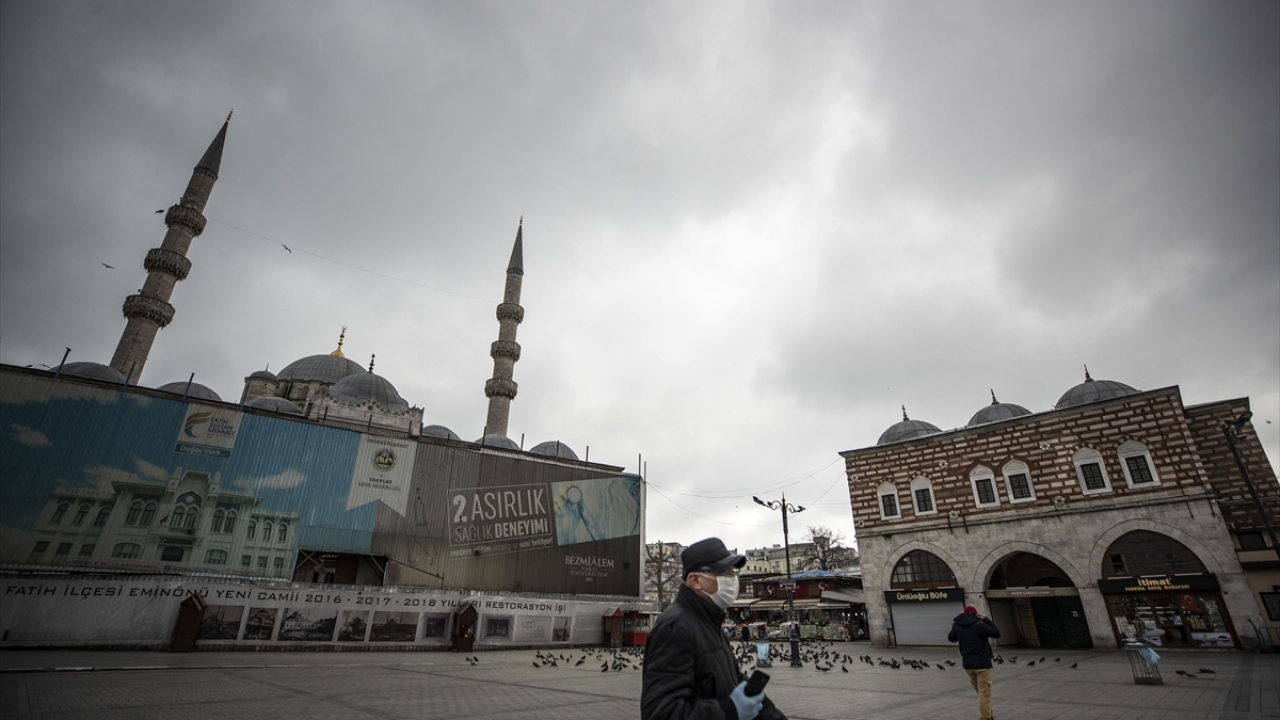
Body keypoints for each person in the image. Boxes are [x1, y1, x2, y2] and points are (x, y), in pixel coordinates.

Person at [642, 537, 787, 720]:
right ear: (695, 580)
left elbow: (732, 681)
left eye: (733, 572)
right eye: (723, 572)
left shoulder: (709, 621)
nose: (732, 579)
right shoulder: (675, 629)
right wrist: (728, 712)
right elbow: (660, 713)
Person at [948, 605, 1000, 720]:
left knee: (980, 691)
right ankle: (985, 717)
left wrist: (955, 626)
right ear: (975, 614)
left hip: (968, 664)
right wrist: (985, 619)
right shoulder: (979, 625)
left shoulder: (958, 625)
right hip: (982, 664)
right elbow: (996, 633)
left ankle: (989, 713)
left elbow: (951, 638)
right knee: (984, 693)